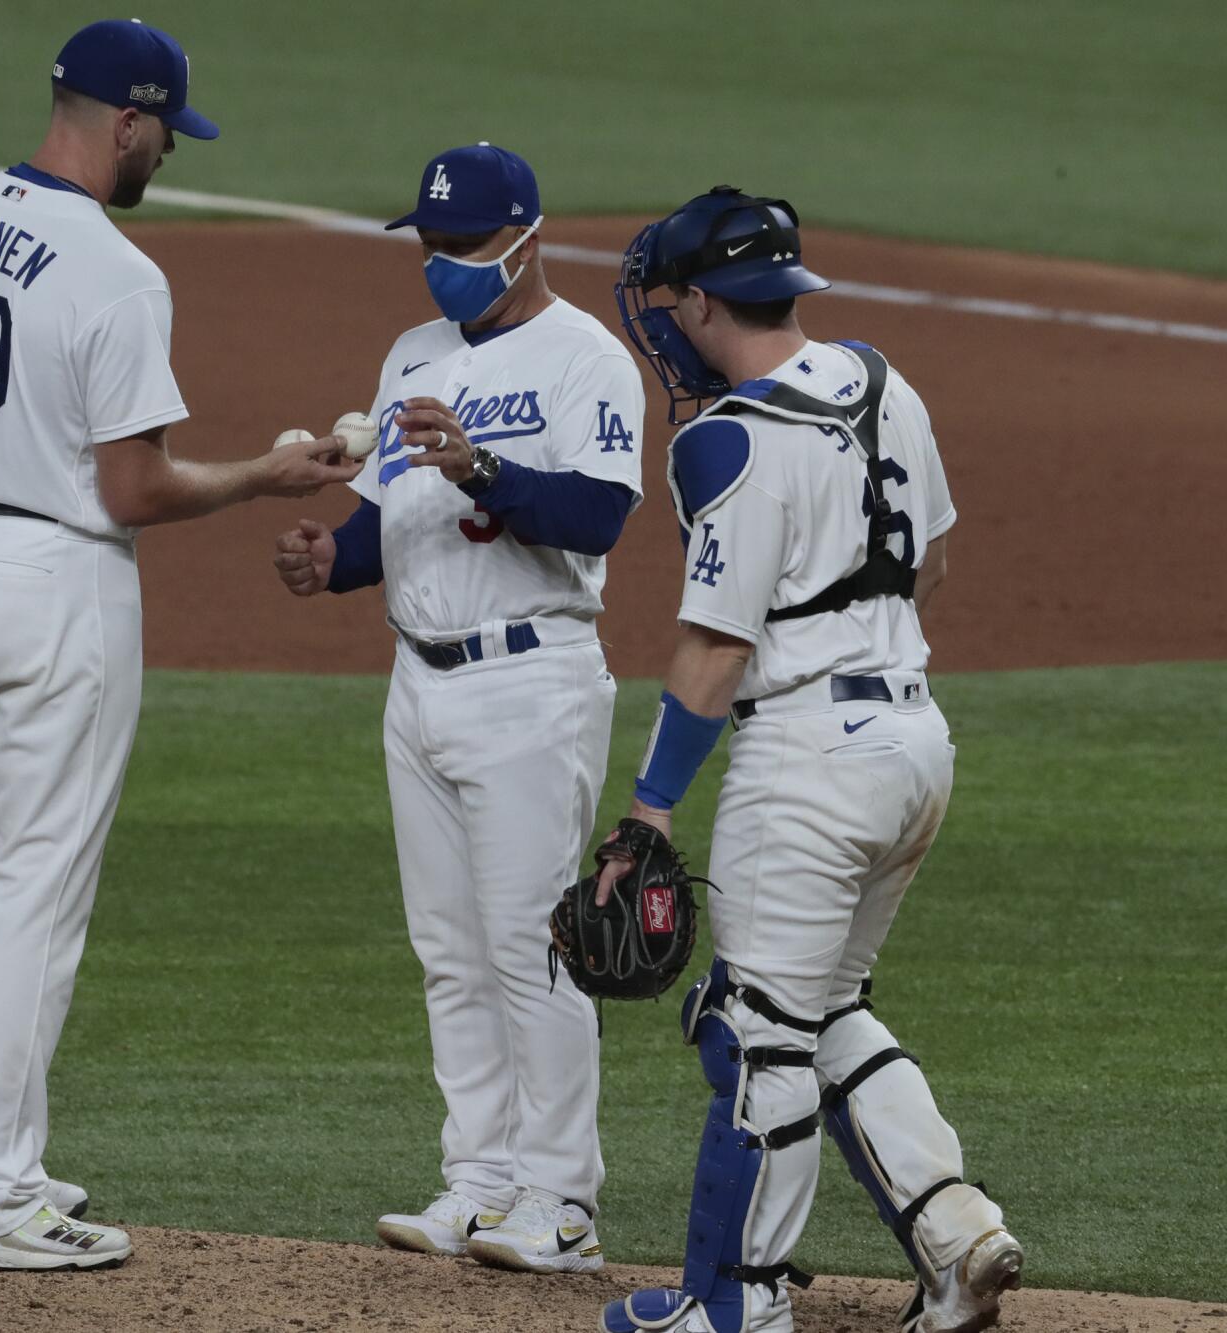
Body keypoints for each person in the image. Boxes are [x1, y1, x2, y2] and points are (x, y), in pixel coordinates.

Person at [0, 19, 359, 1272]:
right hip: (50, 580)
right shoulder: (116, 269)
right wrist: (261, 473)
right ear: (126, 122)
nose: (165, 159)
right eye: (164, 136)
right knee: (36, 880)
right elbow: (131, 489)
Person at [593, 186, 1022, 1333]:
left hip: (809, 763)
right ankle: (955, 1235)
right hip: (915, 744)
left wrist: (647, 811)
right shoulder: (886, 380)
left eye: (668, 301)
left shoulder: (721, 442)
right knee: (829, 1005)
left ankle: (730, 1308)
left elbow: (713, 646)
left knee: (753, 1031)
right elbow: (929, 560)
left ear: (694, 303)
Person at [272, 143, 645, 1275]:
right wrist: (323, 557)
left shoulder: (588, 359)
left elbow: (598, 516)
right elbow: (389, 517)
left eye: (461, 247)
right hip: (417, 682)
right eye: (427, 244)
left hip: (529, 680)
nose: (439, 266)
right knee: (447, 948)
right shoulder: (411, 355)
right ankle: (479, 1182)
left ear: (524, 241)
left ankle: (560, 1202)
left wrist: (483, 468)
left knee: (534, 947)